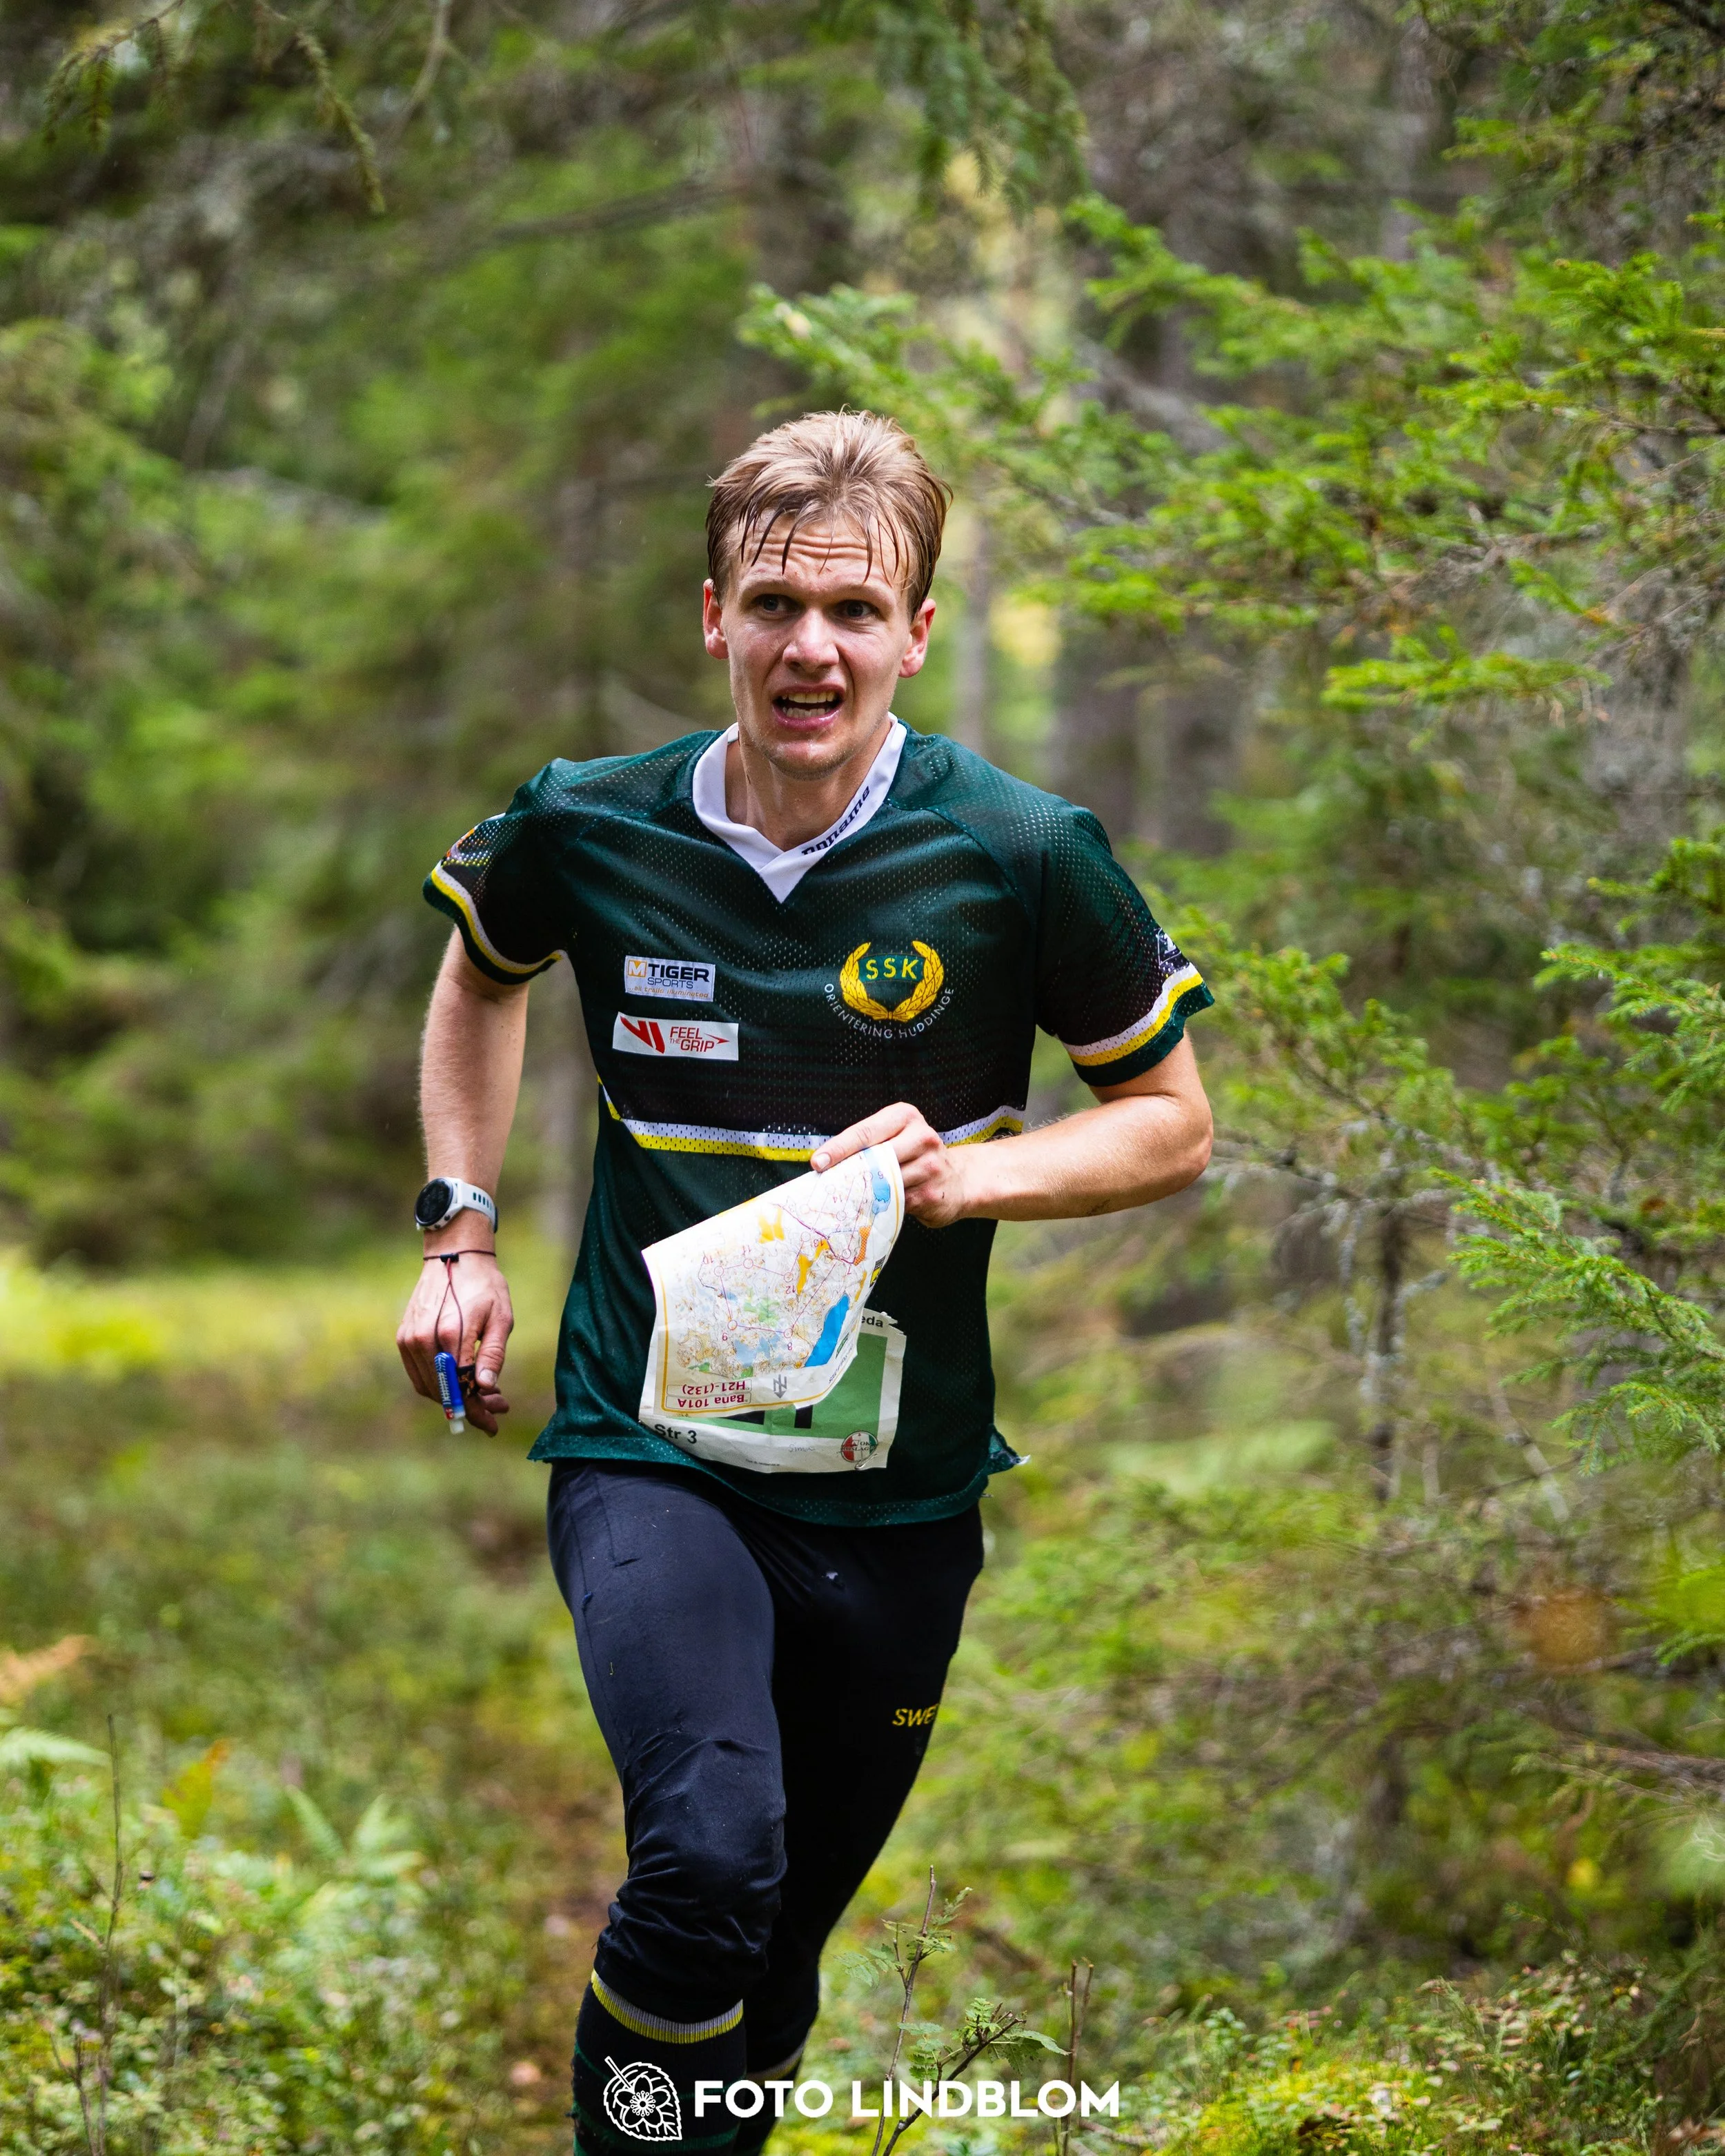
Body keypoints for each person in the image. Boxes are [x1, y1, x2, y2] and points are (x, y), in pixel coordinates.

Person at [395, 411, 1214, 2156]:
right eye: (774, 604)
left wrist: (965, 1173)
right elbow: (483, 973)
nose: (809, 648)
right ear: (714, 617)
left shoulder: (1018, 851)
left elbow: (1167, 1122)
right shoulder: (590, 823)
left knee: (765, 1954)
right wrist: (459, 1231)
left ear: (916, 631)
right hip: (652, 1445)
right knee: (704, 1854)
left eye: (854, 610)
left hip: (898, 1499)